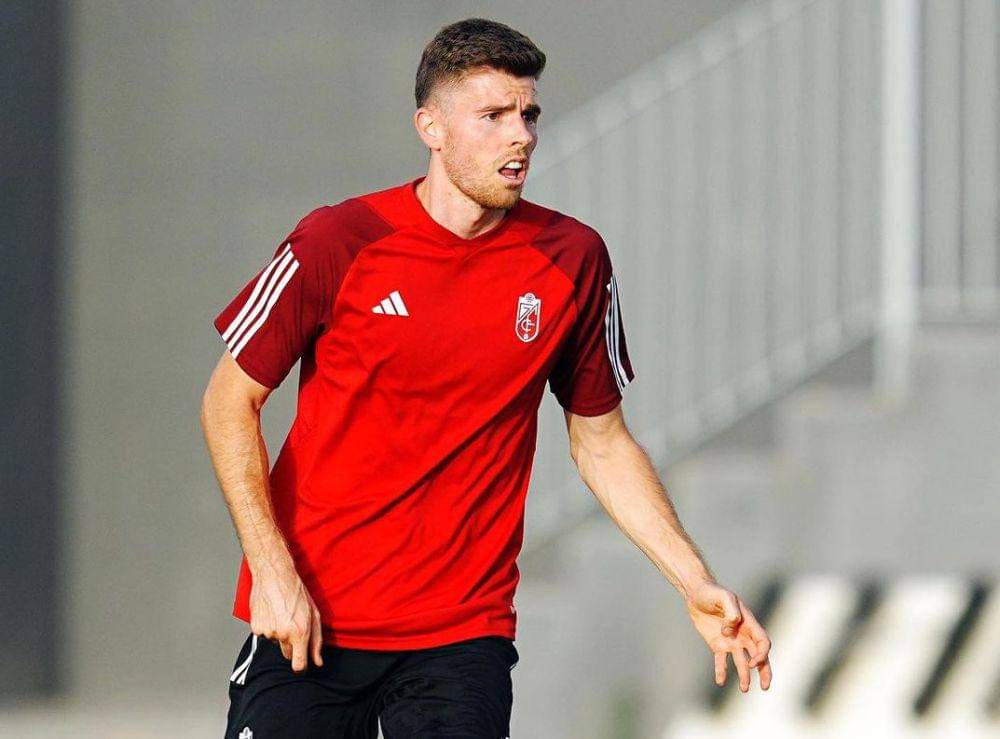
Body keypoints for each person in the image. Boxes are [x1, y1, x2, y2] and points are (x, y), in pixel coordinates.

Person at [200, 16, 772, 739]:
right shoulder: (338, 241)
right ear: (431, 128)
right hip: (310, 618)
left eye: (529, 114)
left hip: (461, 635)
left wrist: (694, 580)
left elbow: (602, 442)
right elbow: (228, 402)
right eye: (494, 116)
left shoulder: (572, 259)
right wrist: (272, 571)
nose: (521, 135)